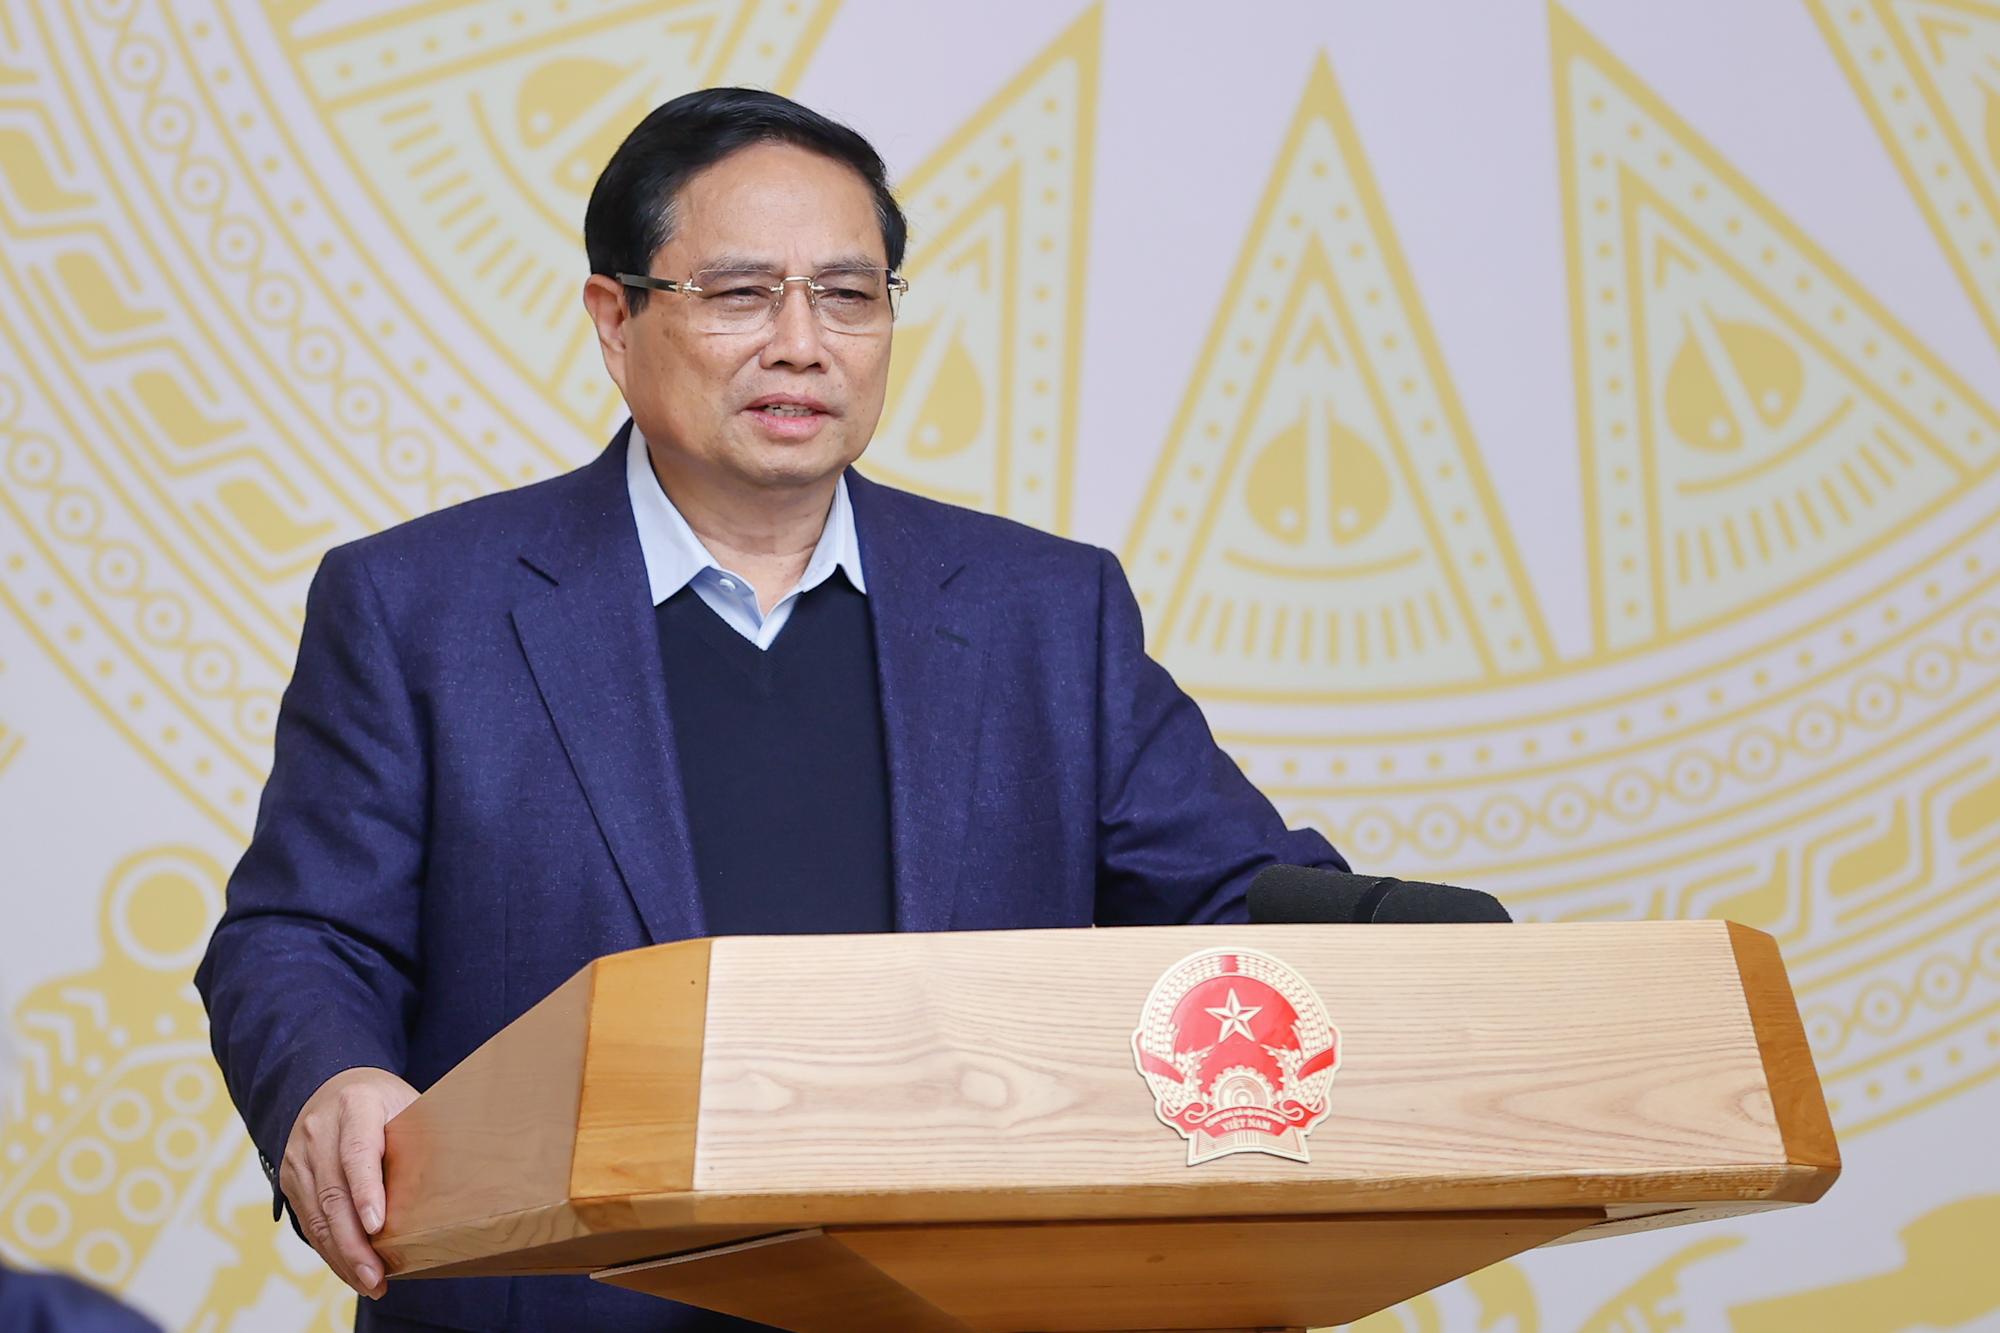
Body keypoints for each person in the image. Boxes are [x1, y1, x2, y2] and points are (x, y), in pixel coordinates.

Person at [195, 87, 1347, 1332]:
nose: (801, 343)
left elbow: (1237, 909)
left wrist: (1406, 947)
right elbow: (300, 935)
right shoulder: (420, 606)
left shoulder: (1045, 614)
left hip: (955, 1307)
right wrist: (331, 1080)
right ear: (614, 319)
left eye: (847, 295)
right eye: (740, 293)